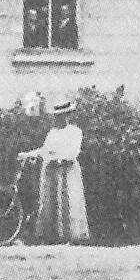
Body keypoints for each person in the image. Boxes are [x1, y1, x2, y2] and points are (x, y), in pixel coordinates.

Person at [19, 99, 89, 244]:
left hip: (68, 171)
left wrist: (61, 159)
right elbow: (45, 150)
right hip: (52, 171)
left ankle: (71, 237)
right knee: (50, 201)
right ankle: (53, 236)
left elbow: (74, 151)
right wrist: (28, 154)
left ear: (69, 115)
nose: (61, 118)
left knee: (69, 201)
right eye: (58, 116)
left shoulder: (75, 132)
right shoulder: (53, 133)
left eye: (64, 115)